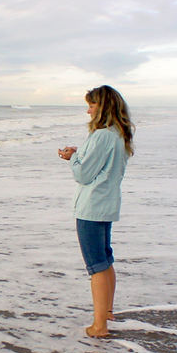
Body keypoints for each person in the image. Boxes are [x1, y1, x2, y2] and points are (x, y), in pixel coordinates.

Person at [58, 85, 134, 338]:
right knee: (105, 259)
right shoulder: (118, 134)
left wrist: (73, 159)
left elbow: (83, 174)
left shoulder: (101, 135)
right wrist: (80, 154)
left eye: (92, 104)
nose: (88, 109)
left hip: (92, 206)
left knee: (96, 266)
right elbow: (101, 166)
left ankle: (99, 325)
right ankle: (107, 312)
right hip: (107, 203)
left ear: (104, 107)